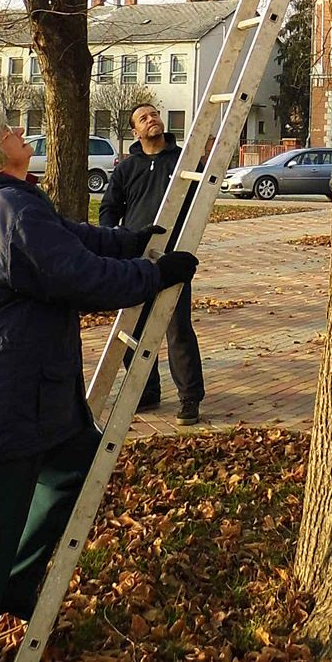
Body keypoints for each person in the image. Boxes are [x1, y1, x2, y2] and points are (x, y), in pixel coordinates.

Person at [0, 108, 197, 662]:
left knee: (75, 466)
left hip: (35, 394)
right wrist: (152, 276)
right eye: (11, 132)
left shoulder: (8, 201)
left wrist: (130, 241)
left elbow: (73, 238)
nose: (23, 135)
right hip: (1, 398)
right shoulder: (5, 209)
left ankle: (12, 581)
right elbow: (78, 277)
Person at [99, 101, 204, 427]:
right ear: (135, 130)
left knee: (177, 328)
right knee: (134, 327)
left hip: (174, 259)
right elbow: (109, 208)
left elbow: (200, 199)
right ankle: (146, 390)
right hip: (136, 259)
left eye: (154, 114)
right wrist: (113, 240)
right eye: (144, 118)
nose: (152, 120)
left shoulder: (184, 161)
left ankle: (189, 397)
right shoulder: (127, 168)